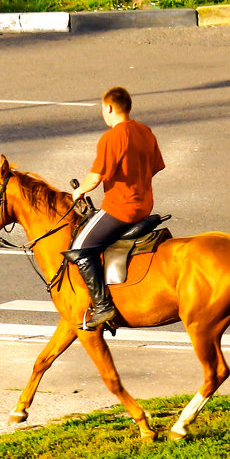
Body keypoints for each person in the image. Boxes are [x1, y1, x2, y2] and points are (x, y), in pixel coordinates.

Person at [66, 86, 166, 331]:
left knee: (80, 249)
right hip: (145, 206)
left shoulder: (112, 137)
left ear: (109, 108)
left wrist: (80, 191)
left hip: (120, 209)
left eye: (103, 109)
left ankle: (102, 306)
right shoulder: (146, 132)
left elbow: (96, 176)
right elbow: (154, 167)